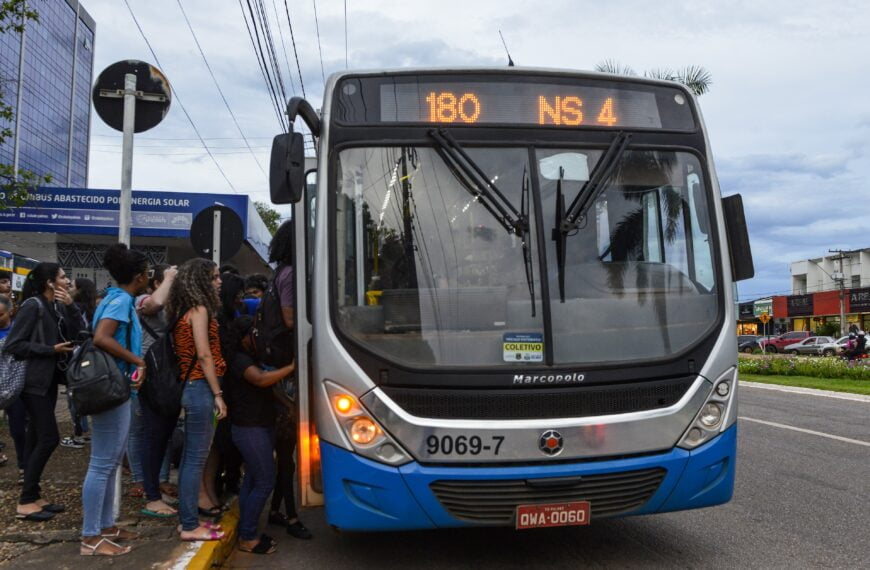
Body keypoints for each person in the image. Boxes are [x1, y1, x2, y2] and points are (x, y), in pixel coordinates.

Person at [80, 244, 150, 556]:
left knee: (109, 463)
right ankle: (90, 538)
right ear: (138, 276)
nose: (150, 277)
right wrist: (137, 360)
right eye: (148, 273)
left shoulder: (117, 297)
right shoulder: (120, 301)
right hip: (112, 388)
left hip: (116, 388)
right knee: (102, 463)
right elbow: (102, 337)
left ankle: (105, 527)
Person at [4, 263, 85, 521]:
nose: (67, 280)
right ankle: (26, 500)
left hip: (48, 382)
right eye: (62, 276)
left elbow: (79, 333)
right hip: (32, 383)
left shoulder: (56, 306)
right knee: (49, 438)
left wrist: (71, 305)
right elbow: (15, 345)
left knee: (35, 437)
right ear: (50, 282)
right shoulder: (33, 306)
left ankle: (34, 495)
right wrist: (50, 350)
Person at [165, 259, 227, 541]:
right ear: (201, 281)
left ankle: (188, 521)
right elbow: (204, 355)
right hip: (201, 388)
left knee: (193, 458)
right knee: (194, 460)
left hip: (191, 388)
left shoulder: (182, 312)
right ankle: (189, 525)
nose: (219, 281)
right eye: (214, 277)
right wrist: (218, 394)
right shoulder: (199, 311)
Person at [224, 316, 295, 554]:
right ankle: (247, 538)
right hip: (248, 427)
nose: (258, 337)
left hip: (260, 425)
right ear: (244, 336)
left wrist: (288, 405)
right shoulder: (238, 359)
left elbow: (268, 388)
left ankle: (248, 529)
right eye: (254, 333)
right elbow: (261, 379)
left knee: (254, 479)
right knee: (265, 480)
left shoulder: (251, 356)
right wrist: (292, 368)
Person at [263, 220, 311, 539]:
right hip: (286, 369)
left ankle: (280, 511)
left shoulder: (277, 273)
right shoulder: (292, 273)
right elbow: (291, 317)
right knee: (288, 451)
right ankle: (290, 517)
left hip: (275, 364)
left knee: (286, 451)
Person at [129, 264, 177, 500]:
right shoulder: (143, 299)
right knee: (140, 430)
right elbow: (153, 305)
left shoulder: (173, 306)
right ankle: (140, 478)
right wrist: (168, 277)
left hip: (164, 374)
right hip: (143, 372)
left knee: (162, 430)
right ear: (157, 283)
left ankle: (161, 479)